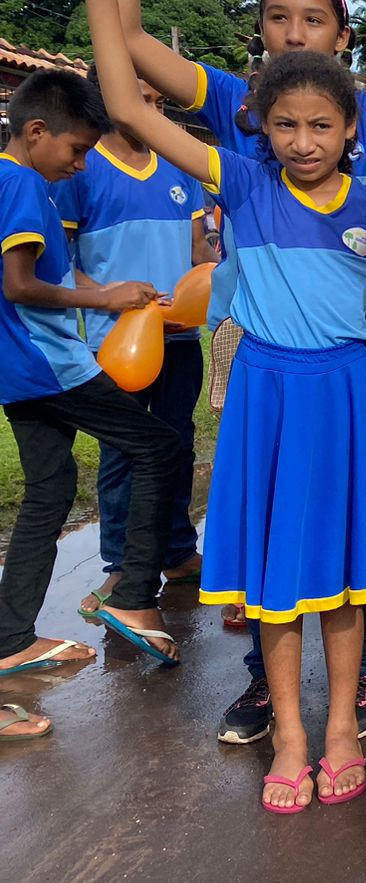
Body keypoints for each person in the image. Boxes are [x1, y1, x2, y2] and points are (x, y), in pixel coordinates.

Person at [60, 0, 366, 810]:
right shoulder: (244, 180)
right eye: (288, 125)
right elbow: (129, 95)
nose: (304, 142)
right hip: (264, 393)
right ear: (261, 125)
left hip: (344, 396)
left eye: (323, 127)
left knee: (342, 585)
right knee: (273, 590)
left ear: (352, 132)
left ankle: (342, 727)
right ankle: (290, 736)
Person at [106, 0, 366, 743]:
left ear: (343, 38)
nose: (297, 30)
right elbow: (132, 61)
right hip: (266, 359)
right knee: (271, 525)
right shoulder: (236, 113)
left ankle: (355, 685)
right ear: (258, 40)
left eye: (316, 18)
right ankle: (270, 689)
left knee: (343, 526)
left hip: (347, 356)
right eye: (279, 17)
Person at [0, 70, 183, 744]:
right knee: (157, 446)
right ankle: (133, 594)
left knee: (50, 493)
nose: (80, 163)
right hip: (48, 364)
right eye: (76, 151)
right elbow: (21, 286)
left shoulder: (30, 185)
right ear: (37, 131)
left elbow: (52, 271)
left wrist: (110, 288)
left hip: (19, 369)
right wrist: (102, 302)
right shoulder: (19, 181)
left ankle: (11, 639)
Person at [55, 69, 214, 606]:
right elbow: (62, 266)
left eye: (158, 102)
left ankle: (175, 549)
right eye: (139, 100)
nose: (151, 111)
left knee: (177, 442)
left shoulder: (179, 164)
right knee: (123, 452)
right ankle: (121, 563)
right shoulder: (80, 166)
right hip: (117, 344)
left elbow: (199, 254)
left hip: (179, 339)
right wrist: (109, 295)